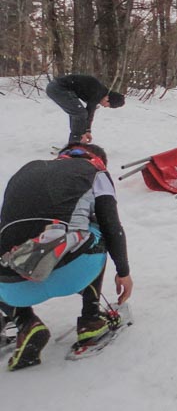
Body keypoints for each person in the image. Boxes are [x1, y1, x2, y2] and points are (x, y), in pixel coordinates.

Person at [0, 143, 133, 370]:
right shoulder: (96, 172)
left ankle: (24, 322)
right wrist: (124, 272)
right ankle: (91, 320)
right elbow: (112, 225)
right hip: (71, 272)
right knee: (93, 229)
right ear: (97, 160)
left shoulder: (23, 173)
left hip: (11, 289)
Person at [45, 75, 125, 145]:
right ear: (108, 98)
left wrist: (87, 130)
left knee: (77, 112)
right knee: (79, 113)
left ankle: (75, 141)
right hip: (58, 88)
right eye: (108, 105)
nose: (105, 107)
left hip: (56, 87)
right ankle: (76, 142)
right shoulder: (98, 92)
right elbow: (88, 112)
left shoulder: (100, 92)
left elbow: (90, 112)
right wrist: (83, 133)